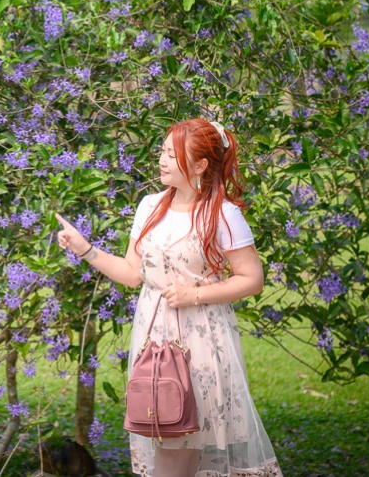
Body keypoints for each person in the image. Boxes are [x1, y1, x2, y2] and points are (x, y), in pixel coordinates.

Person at [55, 118, 283, 477]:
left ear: (200, 164)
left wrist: (196, 294)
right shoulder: (150, 206)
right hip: (153, 340)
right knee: (168, 437)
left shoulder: (223, 213)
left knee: (180, 440)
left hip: (200, 340)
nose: (161, 160)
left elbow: (252, 279)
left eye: (171, 154)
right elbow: (133, 274)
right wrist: (85, 249)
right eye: (161, 151)